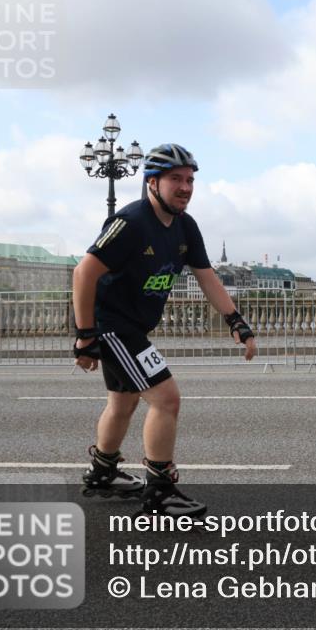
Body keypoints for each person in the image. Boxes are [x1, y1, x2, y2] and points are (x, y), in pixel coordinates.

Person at [72, 143, 257, 517]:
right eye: (176, 179)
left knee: (123, 403)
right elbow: (83, 272)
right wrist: (85, 335)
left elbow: (207, 277)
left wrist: (235, 320)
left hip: (132, 326)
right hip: (113, 326)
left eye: (190, 180)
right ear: (152, 183)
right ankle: (159, 492)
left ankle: (103, 473)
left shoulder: (186, 226)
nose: (186, 187)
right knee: (166, 398)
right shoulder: (130, 223)